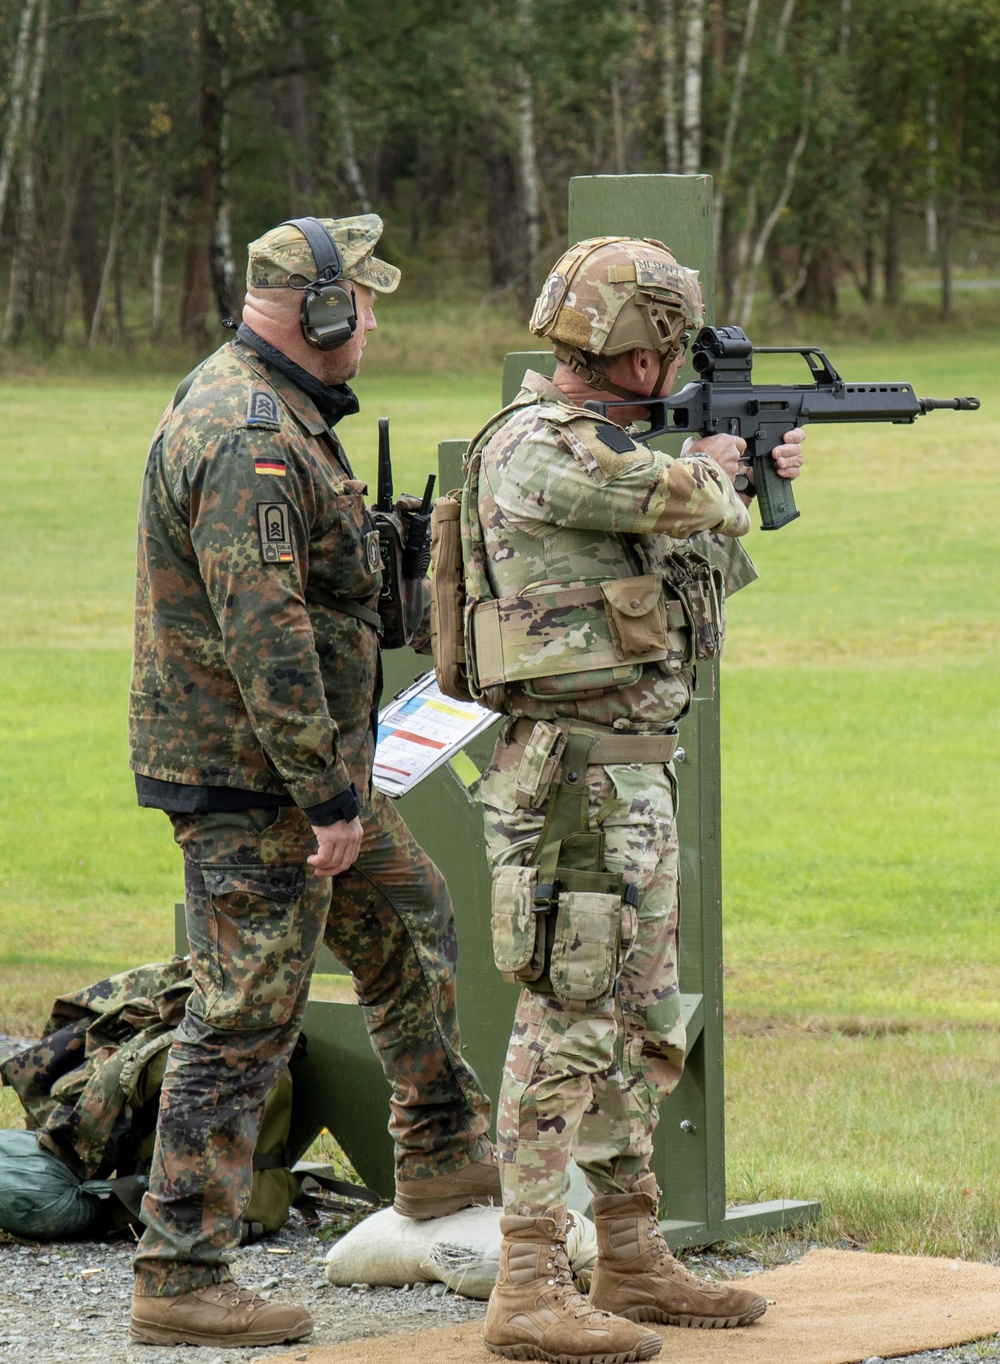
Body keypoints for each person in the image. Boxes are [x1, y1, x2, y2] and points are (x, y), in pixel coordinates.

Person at [127, 214, 498, 1349]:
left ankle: (438, 1158)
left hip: (302, 766)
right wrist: (328, 802)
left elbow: (312, 597)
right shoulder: (249, 433)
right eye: (363, 304)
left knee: (407, 908)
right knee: (245, 1013)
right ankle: (180, 1267)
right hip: (259, 779)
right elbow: (265, 633)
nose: (374, 321)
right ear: (321, 313)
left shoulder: (279, 411)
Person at [465, 237, 805, 1363]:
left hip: (628, 773)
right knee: (564, 1024)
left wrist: (741, 481)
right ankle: (526, 1281)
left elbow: (692, 579)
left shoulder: (606, 449)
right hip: (572, 782)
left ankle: (628, 1250)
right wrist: (722, 470)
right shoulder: (538, 448)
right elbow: (671, 491)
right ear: (643, 346)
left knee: (635, 1025)